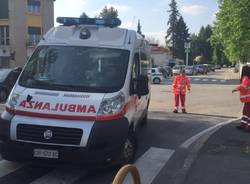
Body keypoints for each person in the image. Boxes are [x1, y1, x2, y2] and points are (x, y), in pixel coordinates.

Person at [232, 65, 250, 129]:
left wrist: (236, 89)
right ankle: (243, 124)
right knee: (245, 112)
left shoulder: (245, 78)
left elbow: (243, 86)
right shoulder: (248, 77)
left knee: (248, 113)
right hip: (248, 99)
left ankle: (248, 126)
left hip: (248, 99)